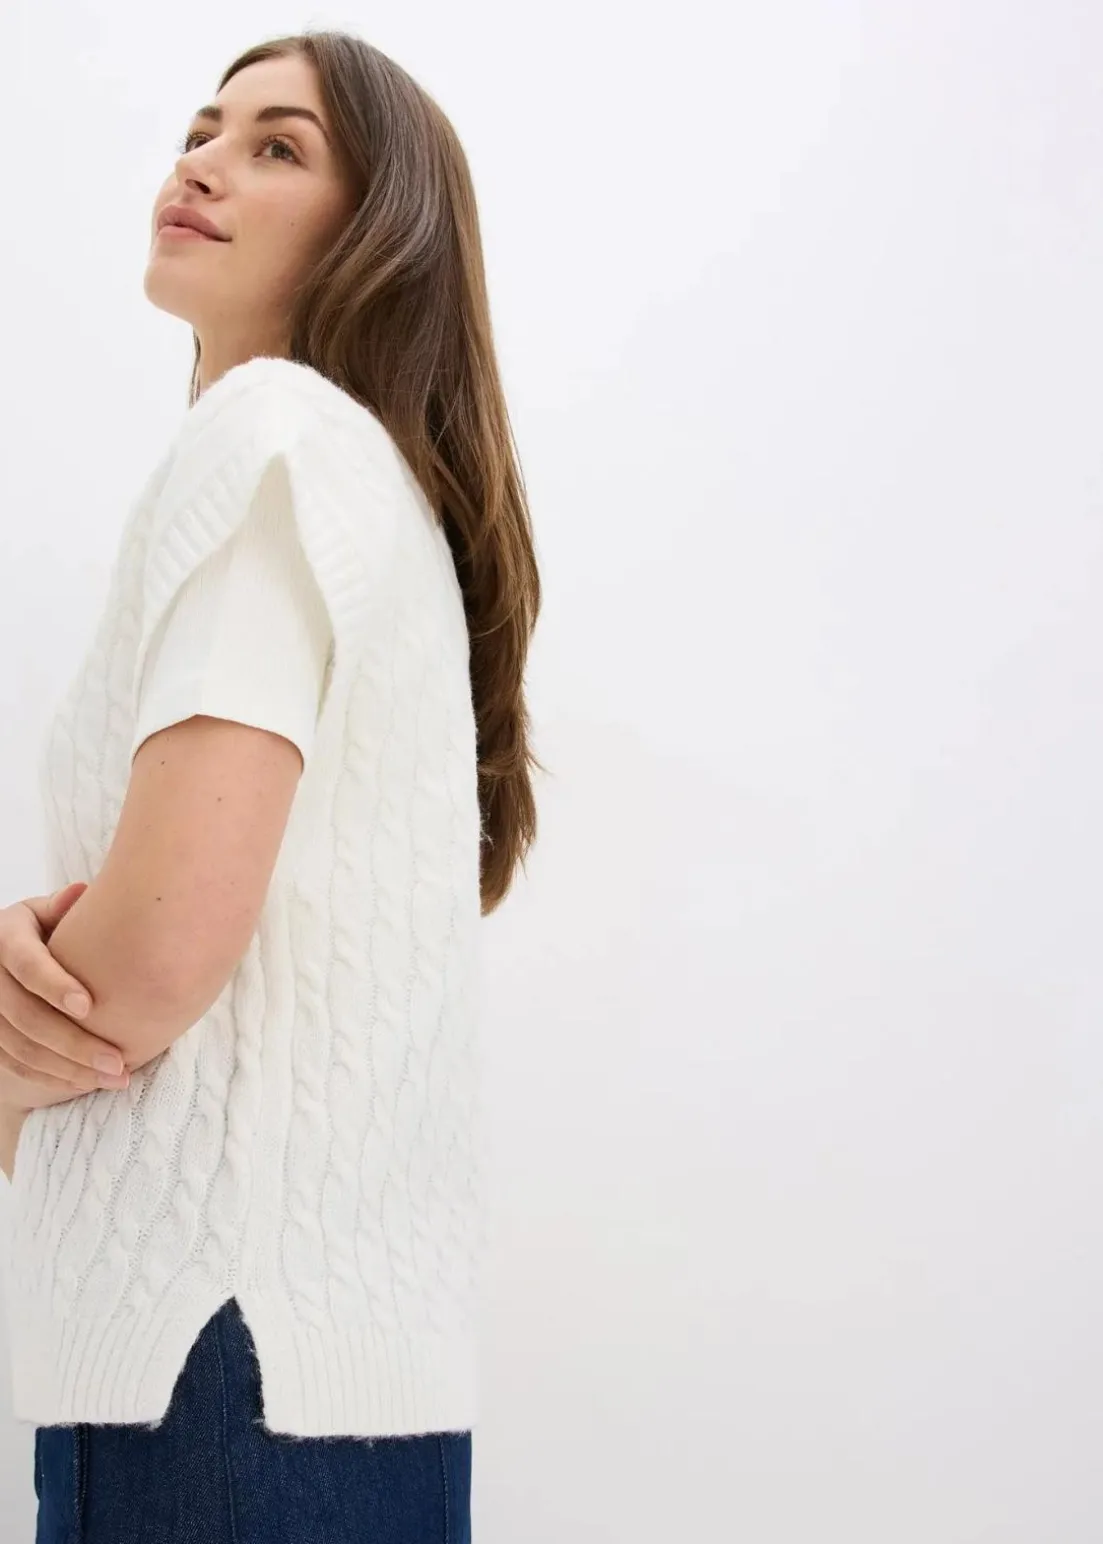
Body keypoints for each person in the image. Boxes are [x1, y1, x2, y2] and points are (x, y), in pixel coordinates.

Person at [0, 27, 542, 1544]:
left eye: (277, 146)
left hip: (210, 1378)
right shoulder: (368, 485)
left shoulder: (272, 434)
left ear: (380, 232)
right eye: (202, 129)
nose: (203, 163)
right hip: (341, 1385)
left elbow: (151, 960)